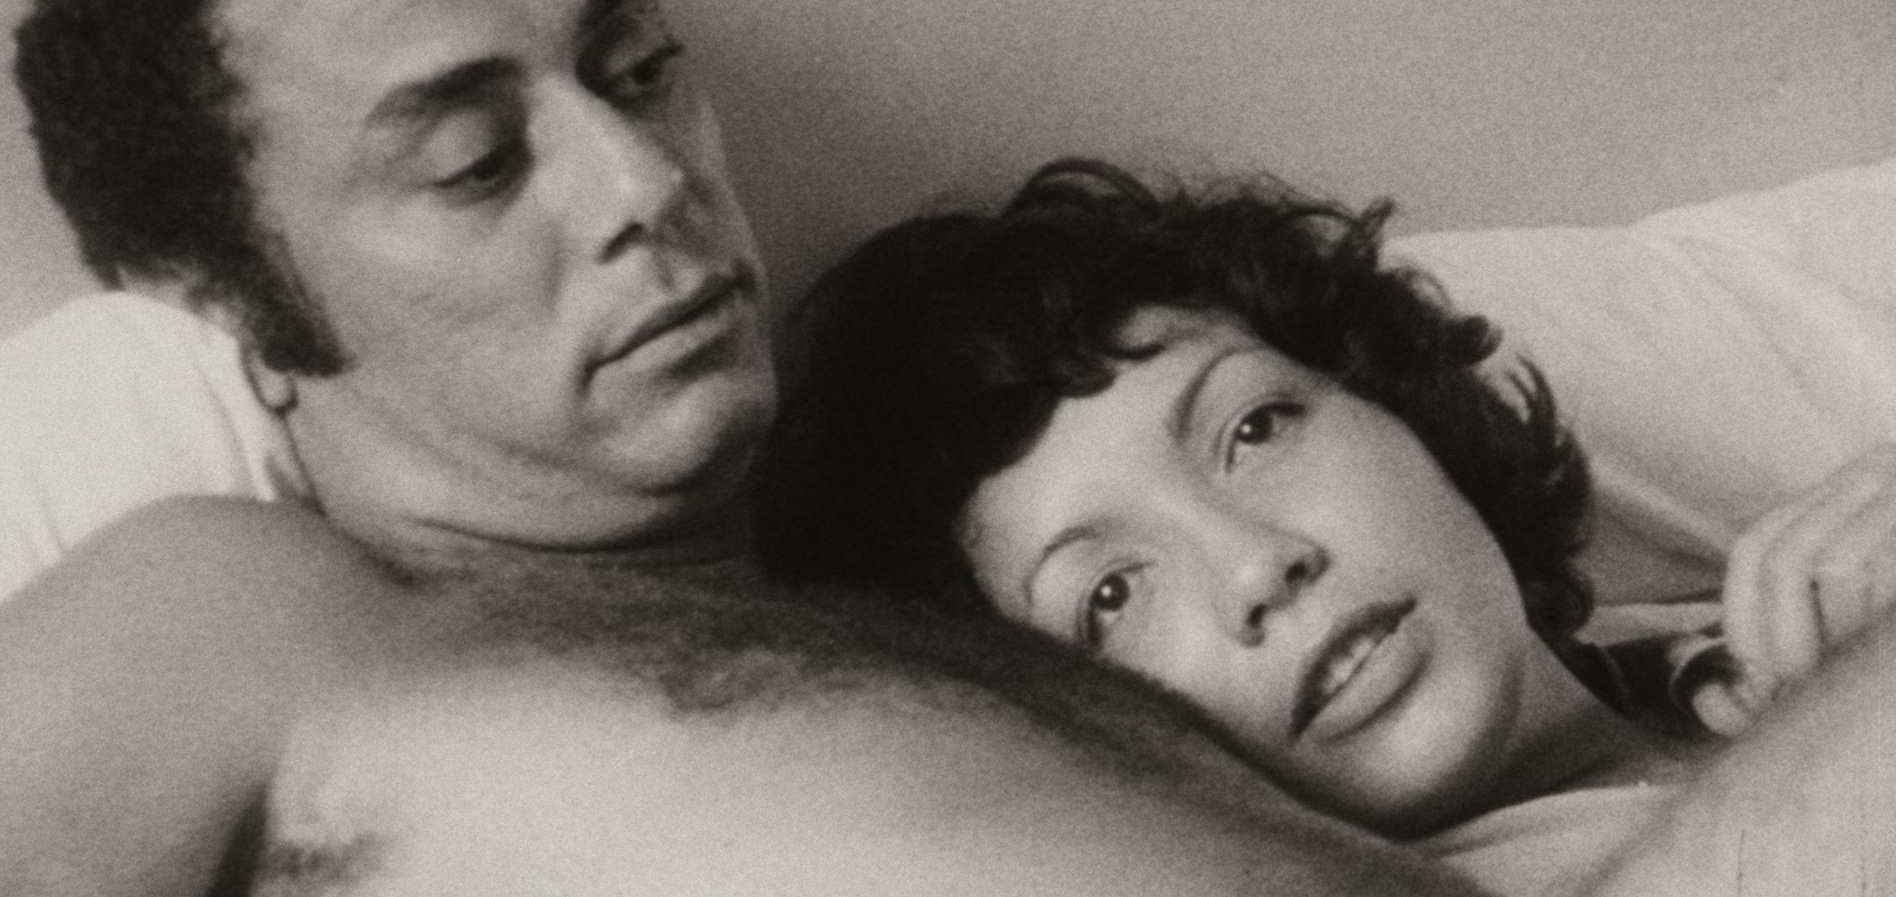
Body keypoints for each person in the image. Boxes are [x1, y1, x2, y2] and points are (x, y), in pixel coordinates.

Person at [0, 0, 1490, 896]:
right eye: (475, 163)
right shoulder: (236, 614)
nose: (644, 182)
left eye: (640, 69)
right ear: (226, 300)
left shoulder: (963, 587)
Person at [755, 158, 1896, 893]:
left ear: (1396, 405)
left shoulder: (1747, 631)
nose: (1258, 565)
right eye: (1111, 595)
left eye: (1253, 430)